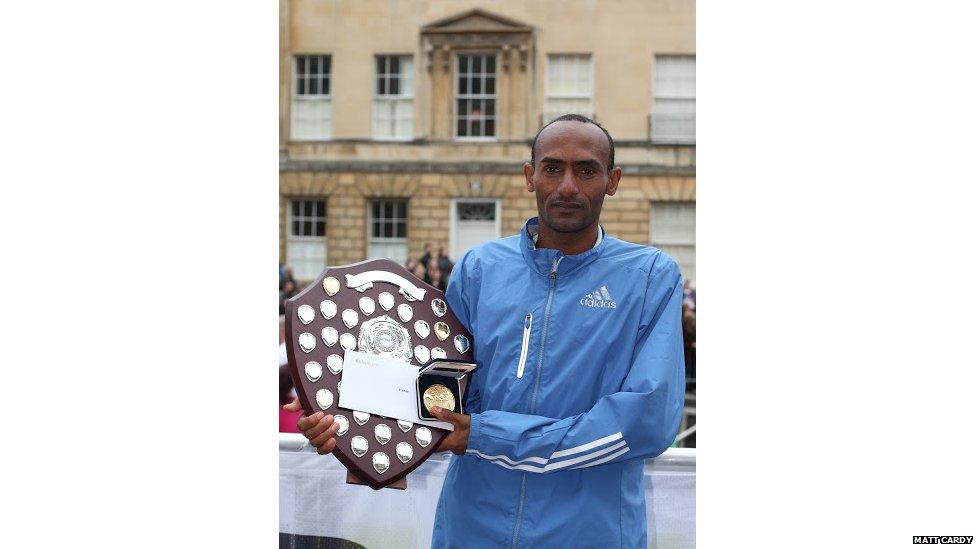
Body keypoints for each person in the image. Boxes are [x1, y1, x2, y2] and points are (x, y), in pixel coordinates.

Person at [284, 114, 685, 548]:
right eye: (553, 168)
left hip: (591, 533)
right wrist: (343, 418)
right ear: (530, 177)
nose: (568, 186)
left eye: (586, 170)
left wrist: (487, 434)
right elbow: (436, 394)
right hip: (473, 528)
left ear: (612, 180)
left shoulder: (649, 276)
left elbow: (646, 422)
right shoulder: (479, 268)